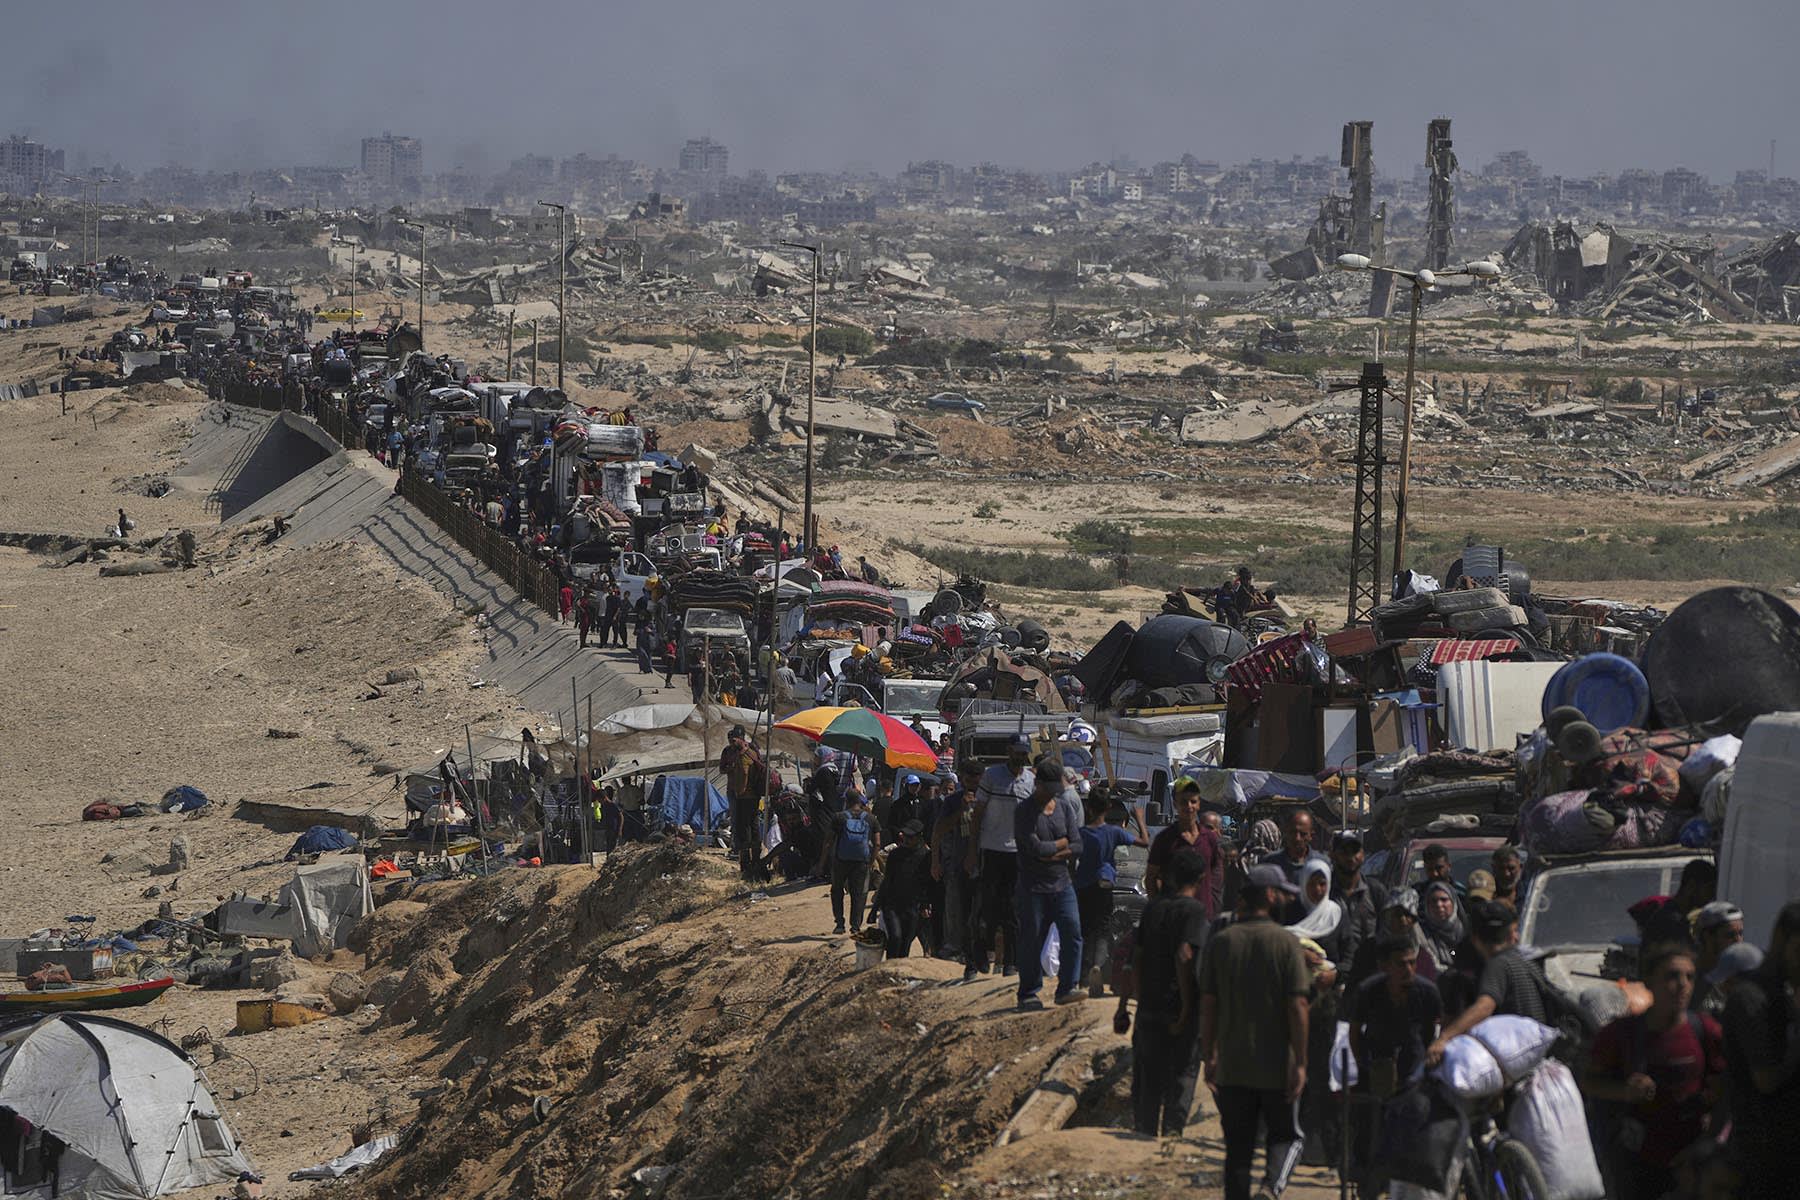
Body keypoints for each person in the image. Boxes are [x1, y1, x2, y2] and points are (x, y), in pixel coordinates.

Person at [1201, 864, 1310, 1200]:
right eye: (1281, 893)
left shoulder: (1221, 942)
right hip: (1276, 1065)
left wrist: (1209, 1055)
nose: (1286, 900)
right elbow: (1298, 1008)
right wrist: (1301, 1061)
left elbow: (1208, 1006)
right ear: (1268, 895)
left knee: (1238, 1150)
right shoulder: (1287, 944)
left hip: (1233, 1066)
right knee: (1286, 1136)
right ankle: (1270, 1189)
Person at [1587, 943, 1725, 1200]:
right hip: (1637, 1163)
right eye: (1672, 976)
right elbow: (1589, 1082)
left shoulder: (1706, 1031)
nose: (1682, 984)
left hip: (1692, 1161)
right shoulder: (1619, 1034)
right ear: (1648, 981)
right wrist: (1624, 1091)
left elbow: (1726, 1092)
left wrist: (1706, 1143)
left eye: (1689, 977)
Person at [1114, 848, 1210, 1137]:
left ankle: (1144, 1133)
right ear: (1201, 878)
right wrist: (1185, 1010)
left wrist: (1124, 1006)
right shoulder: (1194, 911)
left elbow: (1135, 959)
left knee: (1147, 1079)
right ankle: (1170, 1137)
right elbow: (1184, 957)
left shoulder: (1153, 908)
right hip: (1178, 1008)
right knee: (1181, 1075)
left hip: (1149, 1008)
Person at [1720, 900, 1800, 1200]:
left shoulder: (1784, 997)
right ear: (1781, 939)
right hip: (1763, 1162)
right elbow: (1765, 1079)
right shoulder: (1751, 999)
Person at [1426, 900, 1555, 1065]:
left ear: (1475, 939)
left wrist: (1444, 1038)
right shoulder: (1525, 962)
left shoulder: (1498, 964)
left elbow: (1485, 1006)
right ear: (1510, 934)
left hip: (1519, 1057)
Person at [1012, 756, 1084, 1012]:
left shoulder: (1063, 808)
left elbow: (1077, 844)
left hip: (1062, 883)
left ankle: (1067, 988)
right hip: (1033, 886)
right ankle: (1029, 992)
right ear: (1037, 784)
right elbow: (1035, 848)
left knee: (1072, 931)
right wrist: (1061, 844)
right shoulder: (1024, 812)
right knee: (1032, 938)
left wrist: (1054, 851)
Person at [963, 735, 1034, 983]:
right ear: (1009, 751)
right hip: (991, 851)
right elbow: (977, 816)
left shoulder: (1030, 781)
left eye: (1024, 753)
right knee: (986, 907)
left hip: (1017, 855)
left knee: (1013, 910)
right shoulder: (992, 777)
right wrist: (972, 852)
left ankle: (1011, 963)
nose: (1020, 757)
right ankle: (980, 954)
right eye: (1016, 752)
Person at [1075, 789, 1141, 994]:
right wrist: (1140, 820)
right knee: (1102, 929)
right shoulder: (1115, 833)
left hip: (1085, 886)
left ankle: (1084, 976)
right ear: (1108, 808)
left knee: (1086, 930)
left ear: (1088, 809)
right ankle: (1098, 965)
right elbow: (1145, 843)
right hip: (1106, 885)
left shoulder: (1083, 833)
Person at [931, 762, 983, 963]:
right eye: (967, 780)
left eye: (975, 780)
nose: (970, 784)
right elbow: (938, 831)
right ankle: (953, 947)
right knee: (954, 907)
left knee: (980, 909)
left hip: (983, 863)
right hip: (956, 863)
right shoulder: (952, 802)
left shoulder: (987, 800)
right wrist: (935, 863)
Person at [1146, 778, 1221, 915]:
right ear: (1175, 804)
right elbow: (1151, 877)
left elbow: (1216, 871)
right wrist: (1159, 909)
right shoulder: (1164, 839)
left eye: (1193, 801)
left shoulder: (1209, 839)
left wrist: (1213, 902)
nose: (1189, 806)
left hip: (1203, 918)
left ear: (1199, 804)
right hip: (1172, 918)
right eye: (1183, 802)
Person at [1328, 829, 1386, 991]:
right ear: (1333, 855)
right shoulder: (1323, 892)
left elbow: (1387, 934)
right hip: (1332, 982)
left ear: (1363, 854)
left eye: (1355, 850)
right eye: (1344, 851)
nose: (1350, 857)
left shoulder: (1375, 891)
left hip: (1370, 982)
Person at [876, 820, 933, 958]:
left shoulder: (925, 856)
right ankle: (889, 968)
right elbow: (887, 880)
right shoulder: (896, 855)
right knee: (895, 937)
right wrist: (876, 907)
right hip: (892, 904)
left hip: (913, 905)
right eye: (905, 836)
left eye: (910, 837)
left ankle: (898, 972)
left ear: (919, 837)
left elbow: (927, 883)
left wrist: (925, 904)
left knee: (906, 942)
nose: (906, 840)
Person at [829, 791, 878, 934]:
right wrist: (871, 862)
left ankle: (839, 923)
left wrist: (822, 863)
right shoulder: (870, 818)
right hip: (861, 861)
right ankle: (855, 926)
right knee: (859, 894)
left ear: (847, 801)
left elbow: (828, 841)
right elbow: (877, 843)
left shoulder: (839, 817)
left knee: (837, 890)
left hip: (841, 860)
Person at [720, 727, 765, 881]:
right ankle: (746, 858)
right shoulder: (729, 752)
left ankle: (751, 861)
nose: (732, 743)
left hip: (747, 796)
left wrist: (741, 790)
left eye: (734, 740)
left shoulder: (750, 752)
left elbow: (750, 770)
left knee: (748, 827)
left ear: (741, 738)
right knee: (742, 825)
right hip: (739, 794)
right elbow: (723, 769)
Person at [1691, 901, 1746, 1017]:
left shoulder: (1738, 979)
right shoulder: (1687, 977)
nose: (1738, 941)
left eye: (1740, 933)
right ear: (1708, 937)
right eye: (1730, 935)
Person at [1260, 810, 1326, 885]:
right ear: (1285, 832)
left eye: (1303, 834)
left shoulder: (1321, 863)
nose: (1297, 838)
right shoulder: (1270, 862)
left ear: (1311, 836)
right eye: (1292, 832)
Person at [1489, 844, 1524, 910]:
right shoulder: (1485, 894)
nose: (1506, 874)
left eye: (1511, 868)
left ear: (1520, 867)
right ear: (1494, 868)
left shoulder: (1531, 893)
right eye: (1501, 868)